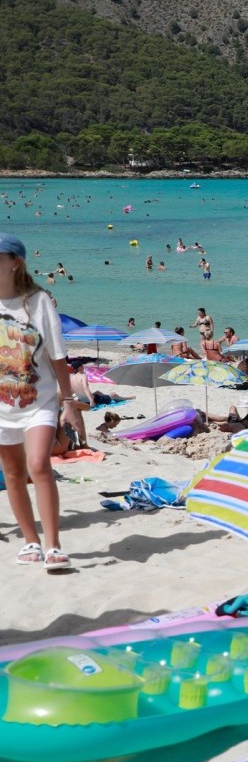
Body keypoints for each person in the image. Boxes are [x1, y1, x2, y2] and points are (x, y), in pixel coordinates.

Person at [0, 233, 78, 570]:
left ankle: (53, 545)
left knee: (38, 464)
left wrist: (70, 402)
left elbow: (59, 356)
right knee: (13, 473)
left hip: (40, 401)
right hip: (2, 407)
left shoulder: (38, 301)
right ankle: (30, 540)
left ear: (14, 262)